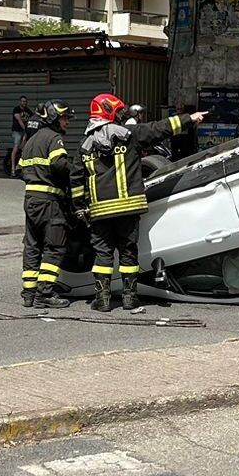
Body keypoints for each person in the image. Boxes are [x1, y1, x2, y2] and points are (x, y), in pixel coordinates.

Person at [74, 94, 203, 314]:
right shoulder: (129, 135)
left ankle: (103, 299)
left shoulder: (85, 146)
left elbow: (76, 180)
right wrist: (189, 119)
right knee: (128, 252)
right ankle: (130, 298)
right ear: (111, 113)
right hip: (128, 207)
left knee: (103, 254)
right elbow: (159, 128)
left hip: (100, 211)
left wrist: (79, 206)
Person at [16, 102, 77, 309]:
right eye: (64, 118)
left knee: (33, 245)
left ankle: (29, 292)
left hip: (31, 199)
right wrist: (77, 169)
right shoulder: (54, 138)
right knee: (55, 246)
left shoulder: (31, 141)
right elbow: (59, 165)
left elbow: (21, 170)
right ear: (53, 118)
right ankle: (45, 292)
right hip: (49, 201)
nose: (67, 122)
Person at [8, 97, 34, 176]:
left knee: (25, 148)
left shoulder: (28, 111)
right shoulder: (16, 109)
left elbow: (33, 118)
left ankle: (21, 167)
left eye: (25, 101)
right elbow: (19, 121)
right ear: (20, 102)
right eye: (23, 101)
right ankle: (13, 169)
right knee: (16, 147)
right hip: (17, 131)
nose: (24, 103)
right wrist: (25, 129)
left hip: (25, 132)